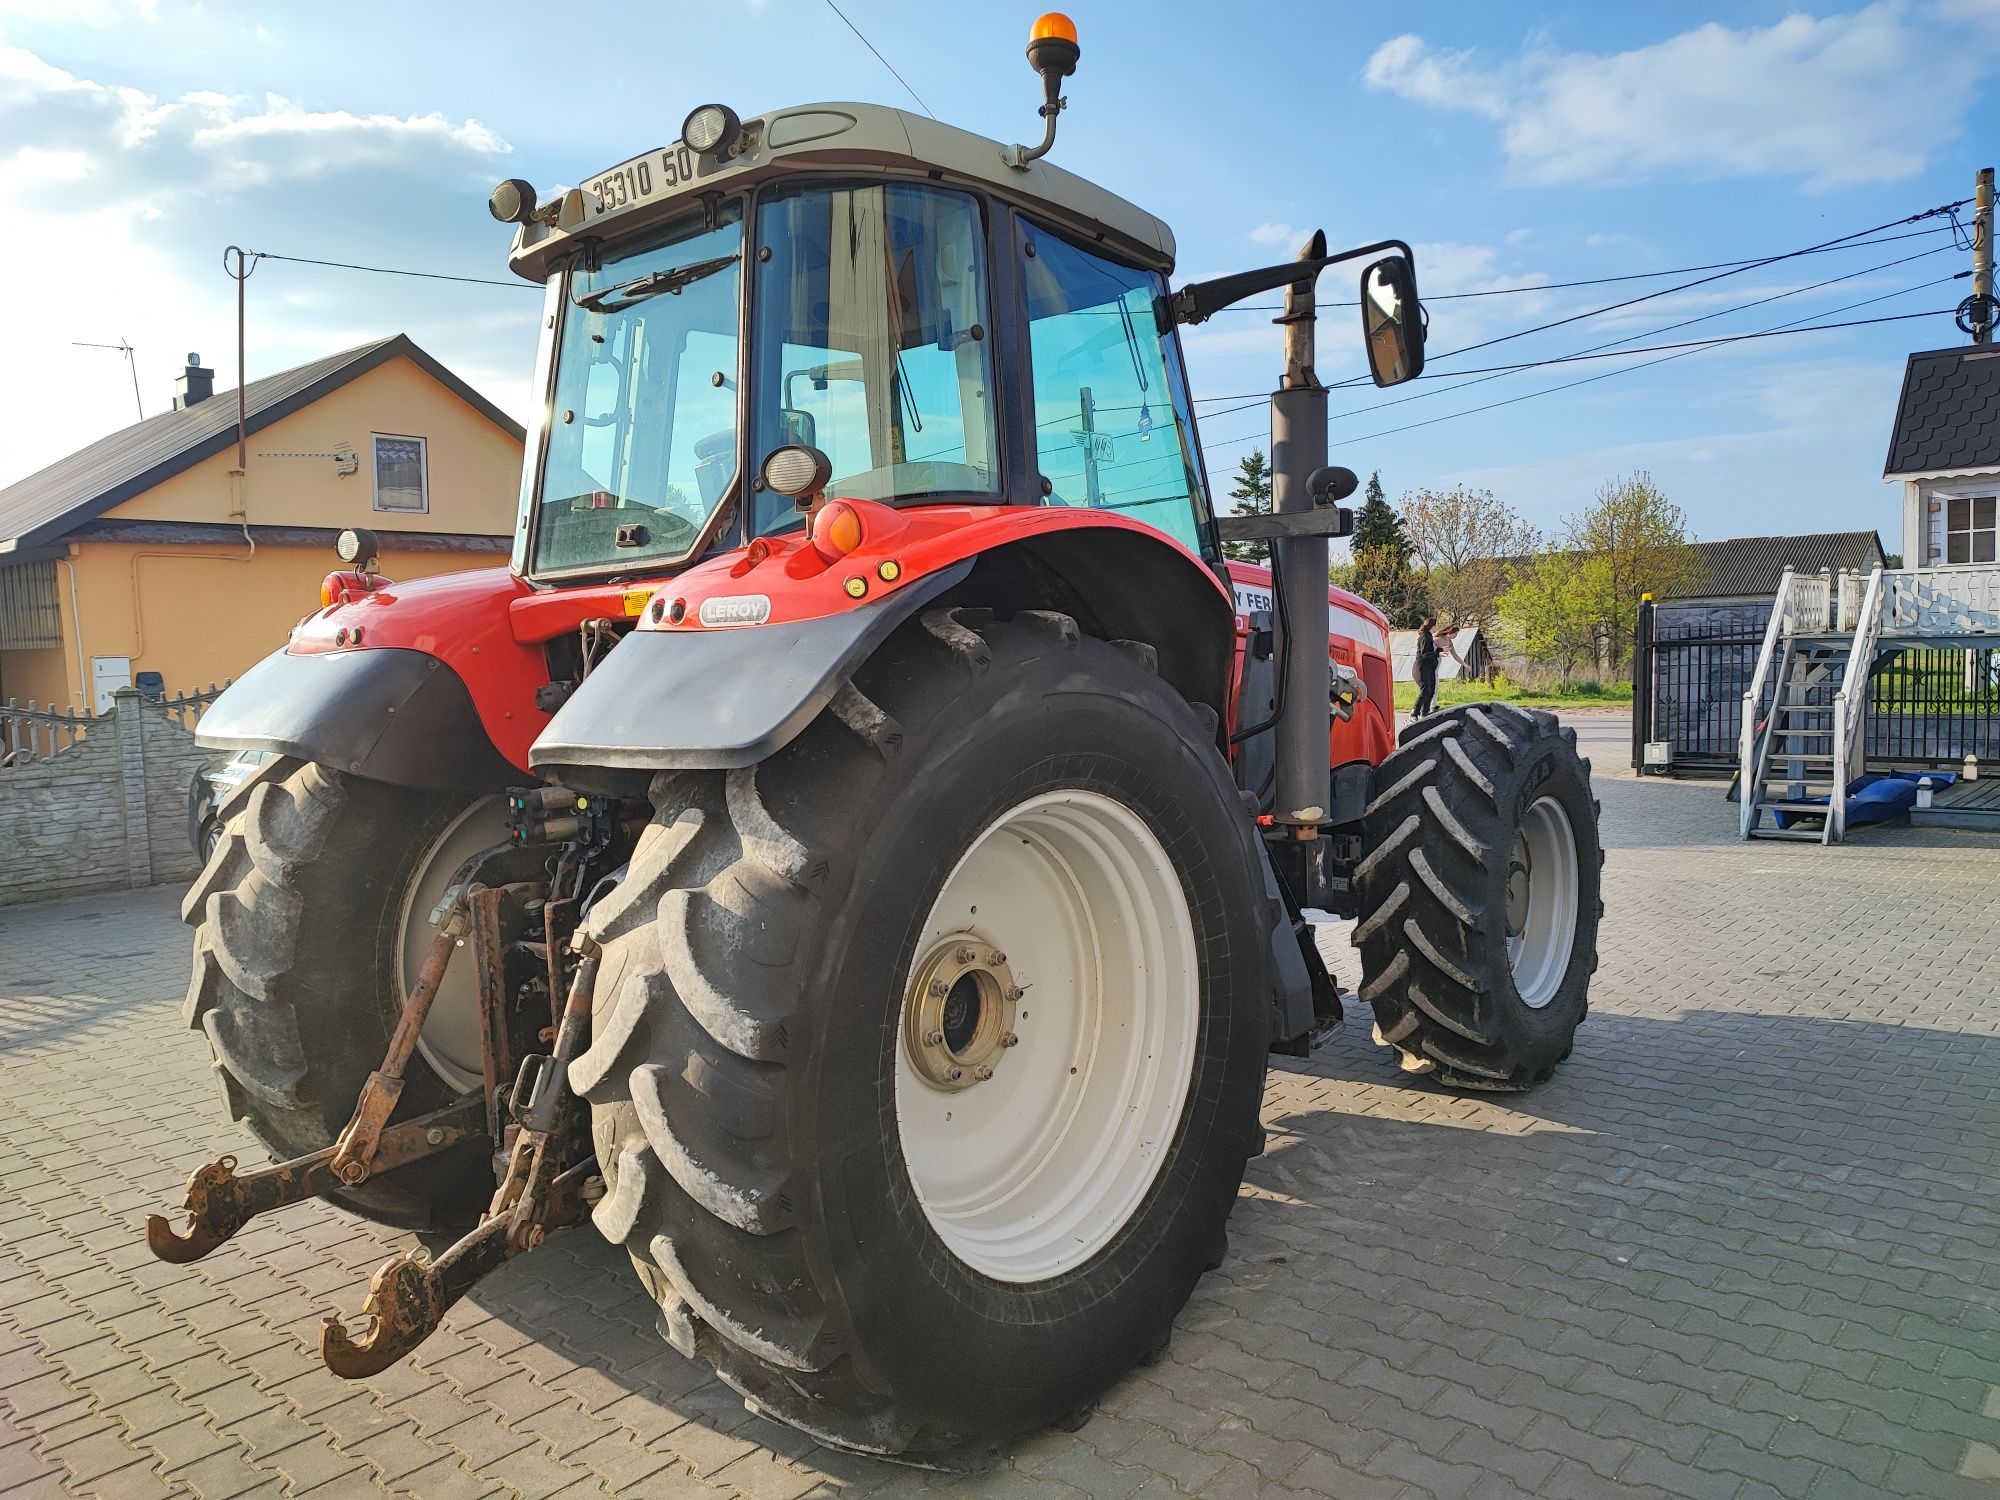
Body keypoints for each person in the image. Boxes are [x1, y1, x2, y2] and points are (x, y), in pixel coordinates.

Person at [1412, 616, 1441, 719]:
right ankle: (1414, 713)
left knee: (1431, 690)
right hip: (1422, 667)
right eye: (1436, 624)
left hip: (1429, 667)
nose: (1437, 627)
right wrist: (1437, 653)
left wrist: (1440, 651)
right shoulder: (1425, 636)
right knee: (1425, 690)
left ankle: (1425, 713)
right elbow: (1425, 655)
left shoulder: (1429, 636)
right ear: (1432, 626)